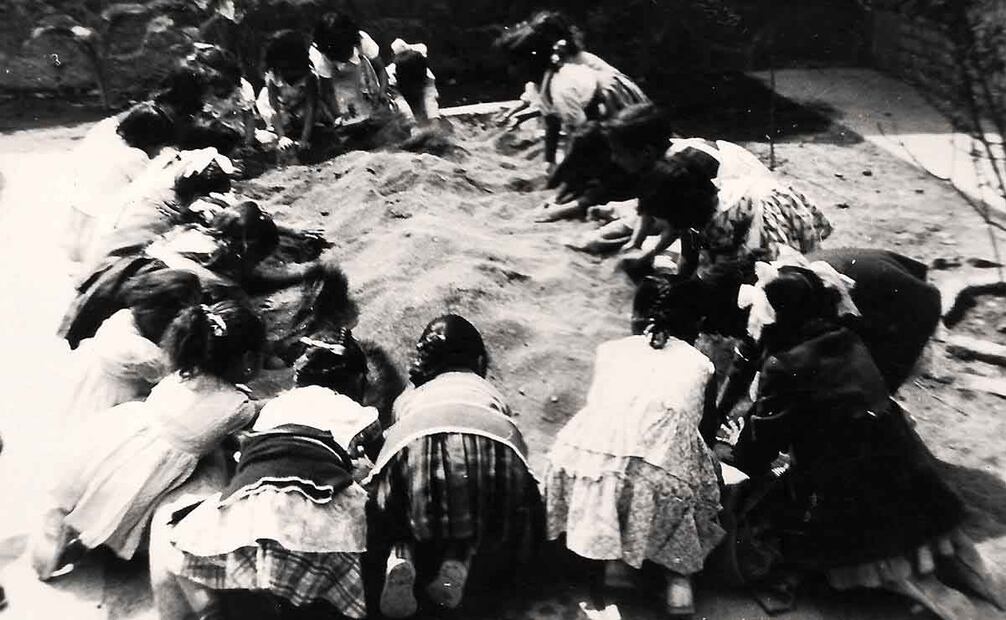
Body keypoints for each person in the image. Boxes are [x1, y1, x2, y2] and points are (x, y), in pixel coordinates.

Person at [726, 264, 1005, 619]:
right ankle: (970, 580)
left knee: (794, 522)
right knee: (932, 536)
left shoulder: (784, 365)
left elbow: (763, 441)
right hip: (901, 457)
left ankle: (927, 591)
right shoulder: (848, 338)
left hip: (851, 478)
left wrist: (742, 451)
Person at [31, 299, 265, 579]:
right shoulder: (237, 406)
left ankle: (62, 532)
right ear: (248, 360)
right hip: (157, 462)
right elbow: (260, 411)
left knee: (97, 483)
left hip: (128, 431)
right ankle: (85, 544)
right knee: (121, 507)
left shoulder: (185, 370)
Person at [163, 330, 378, 620]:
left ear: (298, 378)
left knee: (181, 536)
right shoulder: (361, 413)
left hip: (255, 502)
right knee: (364, 496)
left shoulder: (276, 407)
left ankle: (215, 609)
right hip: (314, 503)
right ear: (355, 380)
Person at [633, 248, 944, 439]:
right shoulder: (762, 293)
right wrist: (722, 412)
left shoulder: (779, 307)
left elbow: (768, 368)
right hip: (884, 280)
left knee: (856, 396)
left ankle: (893, 438)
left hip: (904, 308)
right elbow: (747, 356)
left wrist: (745, 422)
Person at [544, 293, 724, 616]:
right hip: (657, 482)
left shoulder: (611, 351)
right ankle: (677, 580)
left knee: (616, 467)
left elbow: (600, 406)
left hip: (583, 467)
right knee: (690, 479)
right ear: (698, 325)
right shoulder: (701, 364)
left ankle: (612, 557)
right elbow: (704, 432)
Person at [367, 315, 543, 618]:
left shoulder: (410, 397)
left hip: (419, 467)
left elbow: (392, 448)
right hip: (492, 467)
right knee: (481, 495)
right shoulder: (489, 392)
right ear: (477, 359)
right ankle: (459, 559)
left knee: (400, 491)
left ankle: (401, 554)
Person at [624, 149, 831, 276]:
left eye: (660, 216)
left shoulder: (725, 228)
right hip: (747, 204)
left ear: (677, 213)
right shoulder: (695, 214)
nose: (657, 221)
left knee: (774, 275)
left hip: (765, 220)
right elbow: (689, 253)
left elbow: (749, 265)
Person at [495, 11, 649, 170]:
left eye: (514, 64)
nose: (510, 71)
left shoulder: (565, 79)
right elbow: (551, 117)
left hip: (613, 102)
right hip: (588, 103)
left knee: (612, 147)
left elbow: (581, 133)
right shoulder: (547, 78)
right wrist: (550, 161)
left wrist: (565, 171)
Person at [58, 269, 202, 423]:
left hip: (90, 384)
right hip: (110, 402)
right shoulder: (142, 353)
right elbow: (180, 377)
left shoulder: (125, 317)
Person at [64, 101, 178, 261]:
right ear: (150, 140)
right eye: (159, 146)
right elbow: (153, 189)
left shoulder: (112, 145)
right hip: (101, 227)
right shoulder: (135, 157)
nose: (159, 152)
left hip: (81, 222)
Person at [310, 12, 389, 127]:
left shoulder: (362, 41)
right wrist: (338, 116)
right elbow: (326, 92)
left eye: (345, 50)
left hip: (365, 83)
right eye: (337, 54)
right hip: (340, 94)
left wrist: (383, 91)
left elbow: (380, 69)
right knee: (353, 124)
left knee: (377, 119)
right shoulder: (323, 59)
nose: (342, 56)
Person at [256, 30, 321, 158]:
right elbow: (273, 107)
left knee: (310, 117)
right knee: (276, 126)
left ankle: (300, 132)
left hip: (300, 107)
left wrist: (304, 138)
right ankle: (282, 133)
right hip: (282, 107)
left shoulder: (309, 76)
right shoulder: (273, 77)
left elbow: (310, 107)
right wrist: (282, 137)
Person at [387, 39, 440, 129]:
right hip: (400, 101)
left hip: (418, 98)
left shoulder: (427, 75)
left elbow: (430, 97)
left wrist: (434, 121)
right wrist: (412, 124)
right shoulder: (390, 77)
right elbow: (398, 100)